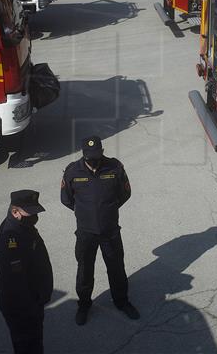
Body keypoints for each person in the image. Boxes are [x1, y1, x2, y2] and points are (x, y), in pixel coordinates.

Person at [61, 135, 139, 326]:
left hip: (110, 230)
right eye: (89, 156)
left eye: (96, 155)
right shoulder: (72, 171)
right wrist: (86, 213)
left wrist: (107, 210)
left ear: (102, 152)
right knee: (85, 270)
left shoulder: (115, 167)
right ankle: (84, 305)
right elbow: (67, 199)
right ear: (83, 154)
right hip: (86, 233)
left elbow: (125, 193)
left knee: (116, 269)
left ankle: (122, 301)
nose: (93, 160)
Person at [0, 190, 53, 354]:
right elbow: (15, 284)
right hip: (22, 308)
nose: (34, 217)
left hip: (33, 300)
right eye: (30, 212)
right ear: (15, 211)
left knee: (35, 341)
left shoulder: (23, 227)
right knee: (26, 345)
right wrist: (32, 308)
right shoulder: (10, 239)